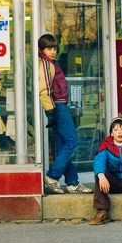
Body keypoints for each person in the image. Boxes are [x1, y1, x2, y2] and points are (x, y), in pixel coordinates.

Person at [37, 33, 91, 194]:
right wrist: (51, 111)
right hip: (57, 107)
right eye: (49, 48)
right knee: (72, 141)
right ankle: (52, 176)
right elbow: (44, 90)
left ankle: (72, 182)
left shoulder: (50, 63)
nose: (53, 51)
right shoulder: (46, 64)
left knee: (63, 146)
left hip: (57, 106)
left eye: (54, 48)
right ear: (42, 49)